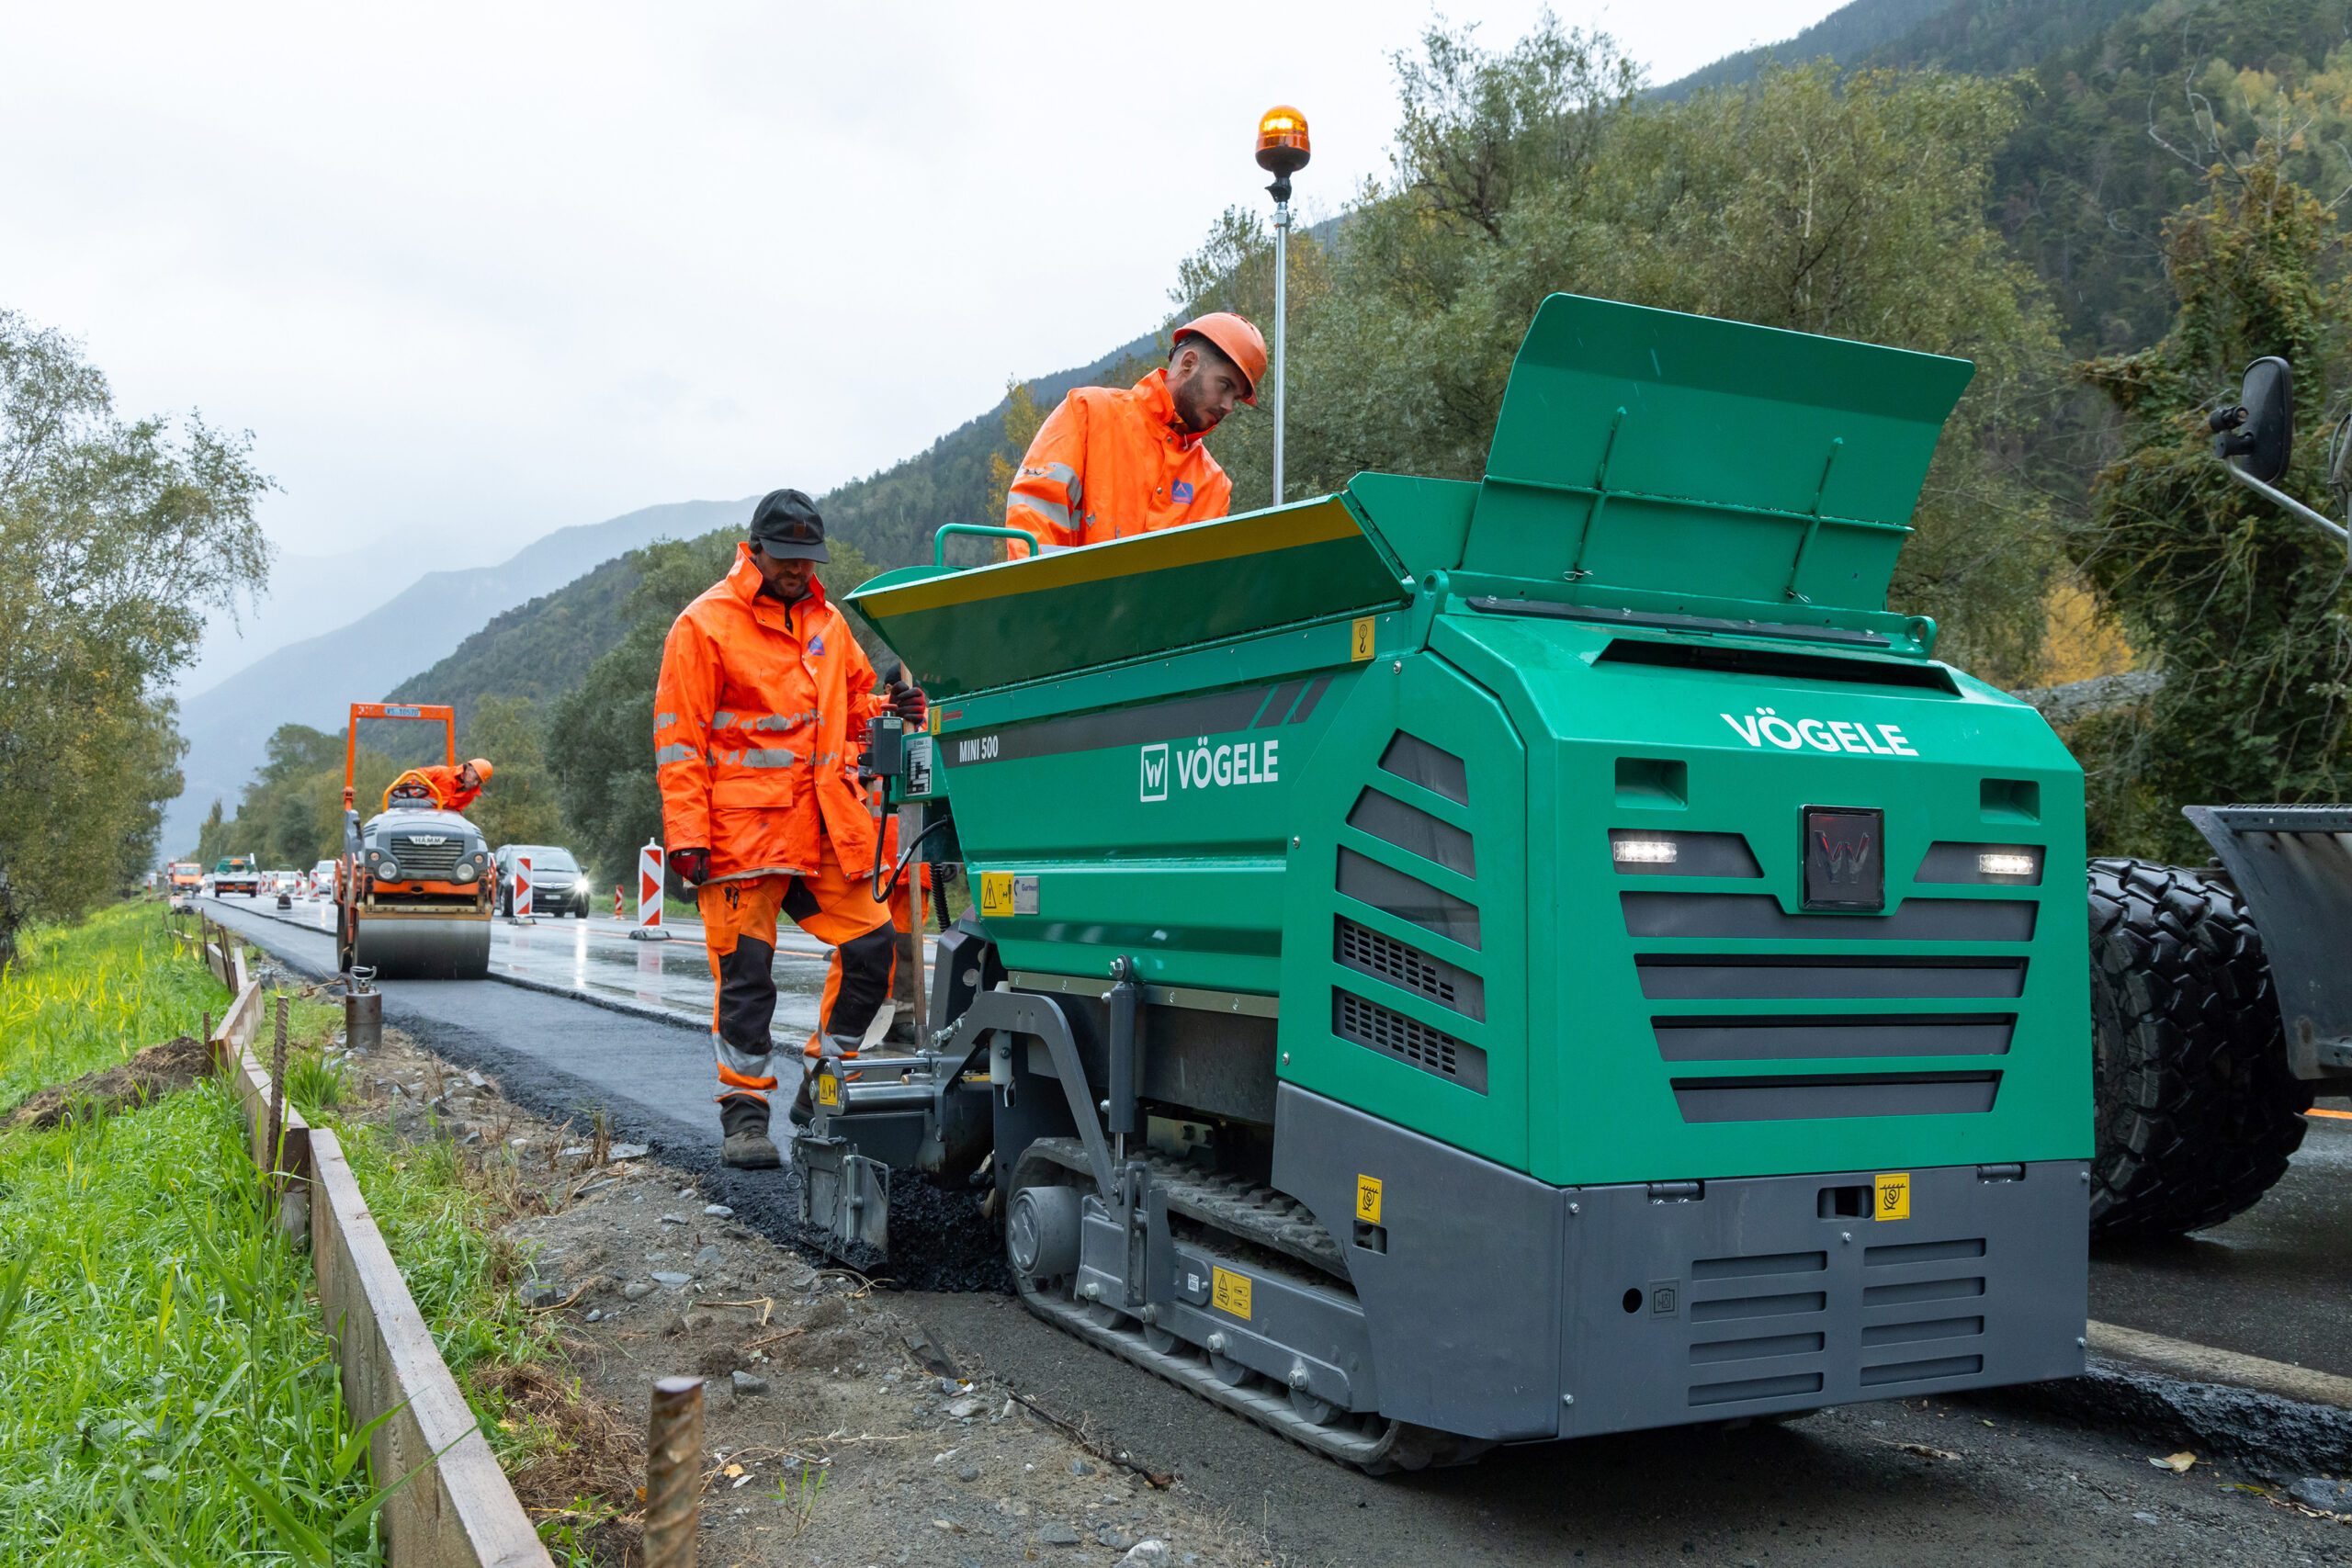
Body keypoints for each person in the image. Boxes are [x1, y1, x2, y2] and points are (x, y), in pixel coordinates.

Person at [653, 489, 927, 1168]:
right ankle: (744, 1116)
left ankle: (821, 1082)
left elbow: (855, 706)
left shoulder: (831, 627)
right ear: (755, 548)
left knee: (873, 948)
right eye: (786, 557)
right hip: (739, 839)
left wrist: (892, 704)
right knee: (748, 980)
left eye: (808, 559)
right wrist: (686, 834)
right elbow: (678, 739)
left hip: (822, 830)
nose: (798, 570)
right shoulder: (704, 626)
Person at [1002, 311, 1266, 558]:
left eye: (1236, 397)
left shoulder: (1214, 487)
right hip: (1066, 606)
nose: (1228, 406)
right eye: (1224, 386)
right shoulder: (1088, 412)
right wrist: (1050, 603)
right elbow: (1033, 517)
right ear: (1188, 363)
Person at [382, 758, 493, 814]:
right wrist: (411, 784)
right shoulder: (442, 772)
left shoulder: (470, 794)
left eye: (479, 782)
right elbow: (412, 776)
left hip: (434, 819)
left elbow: (456, 812)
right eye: (475, 778)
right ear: (469, 769)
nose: (475, 784)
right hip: (409, 807)